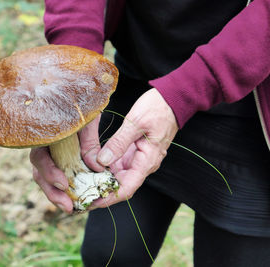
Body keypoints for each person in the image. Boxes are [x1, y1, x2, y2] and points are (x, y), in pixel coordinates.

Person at [30, 0, 270, 266]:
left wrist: (185, 92)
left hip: (252, 114)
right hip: (138, 83)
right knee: (109, 255)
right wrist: (74, 80)